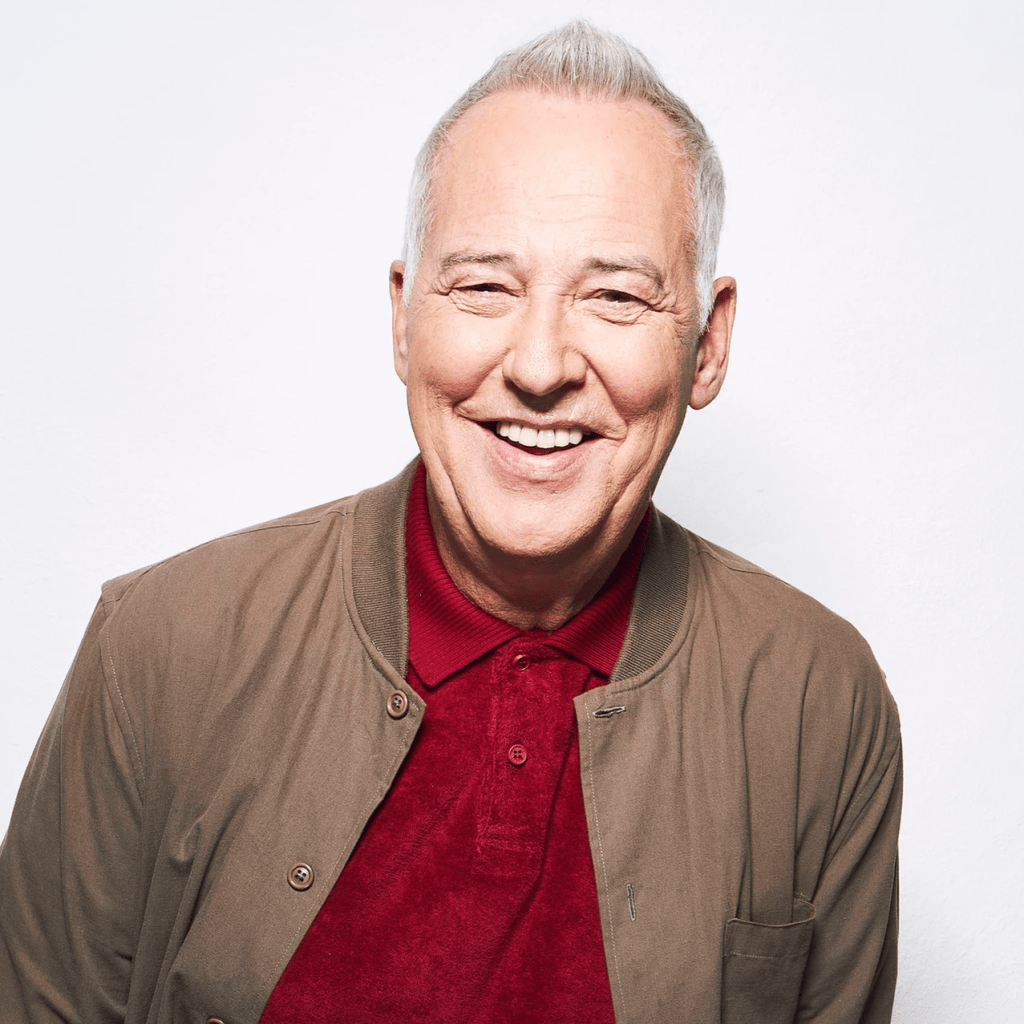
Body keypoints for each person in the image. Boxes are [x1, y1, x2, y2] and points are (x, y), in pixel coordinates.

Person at [0, 21, 901, 1024]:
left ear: (709, 343)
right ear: (403, 316)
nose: (540, 365)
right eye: (483, 286)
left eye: (614, 295)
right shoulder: (162, 647)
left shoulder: (820, 701)